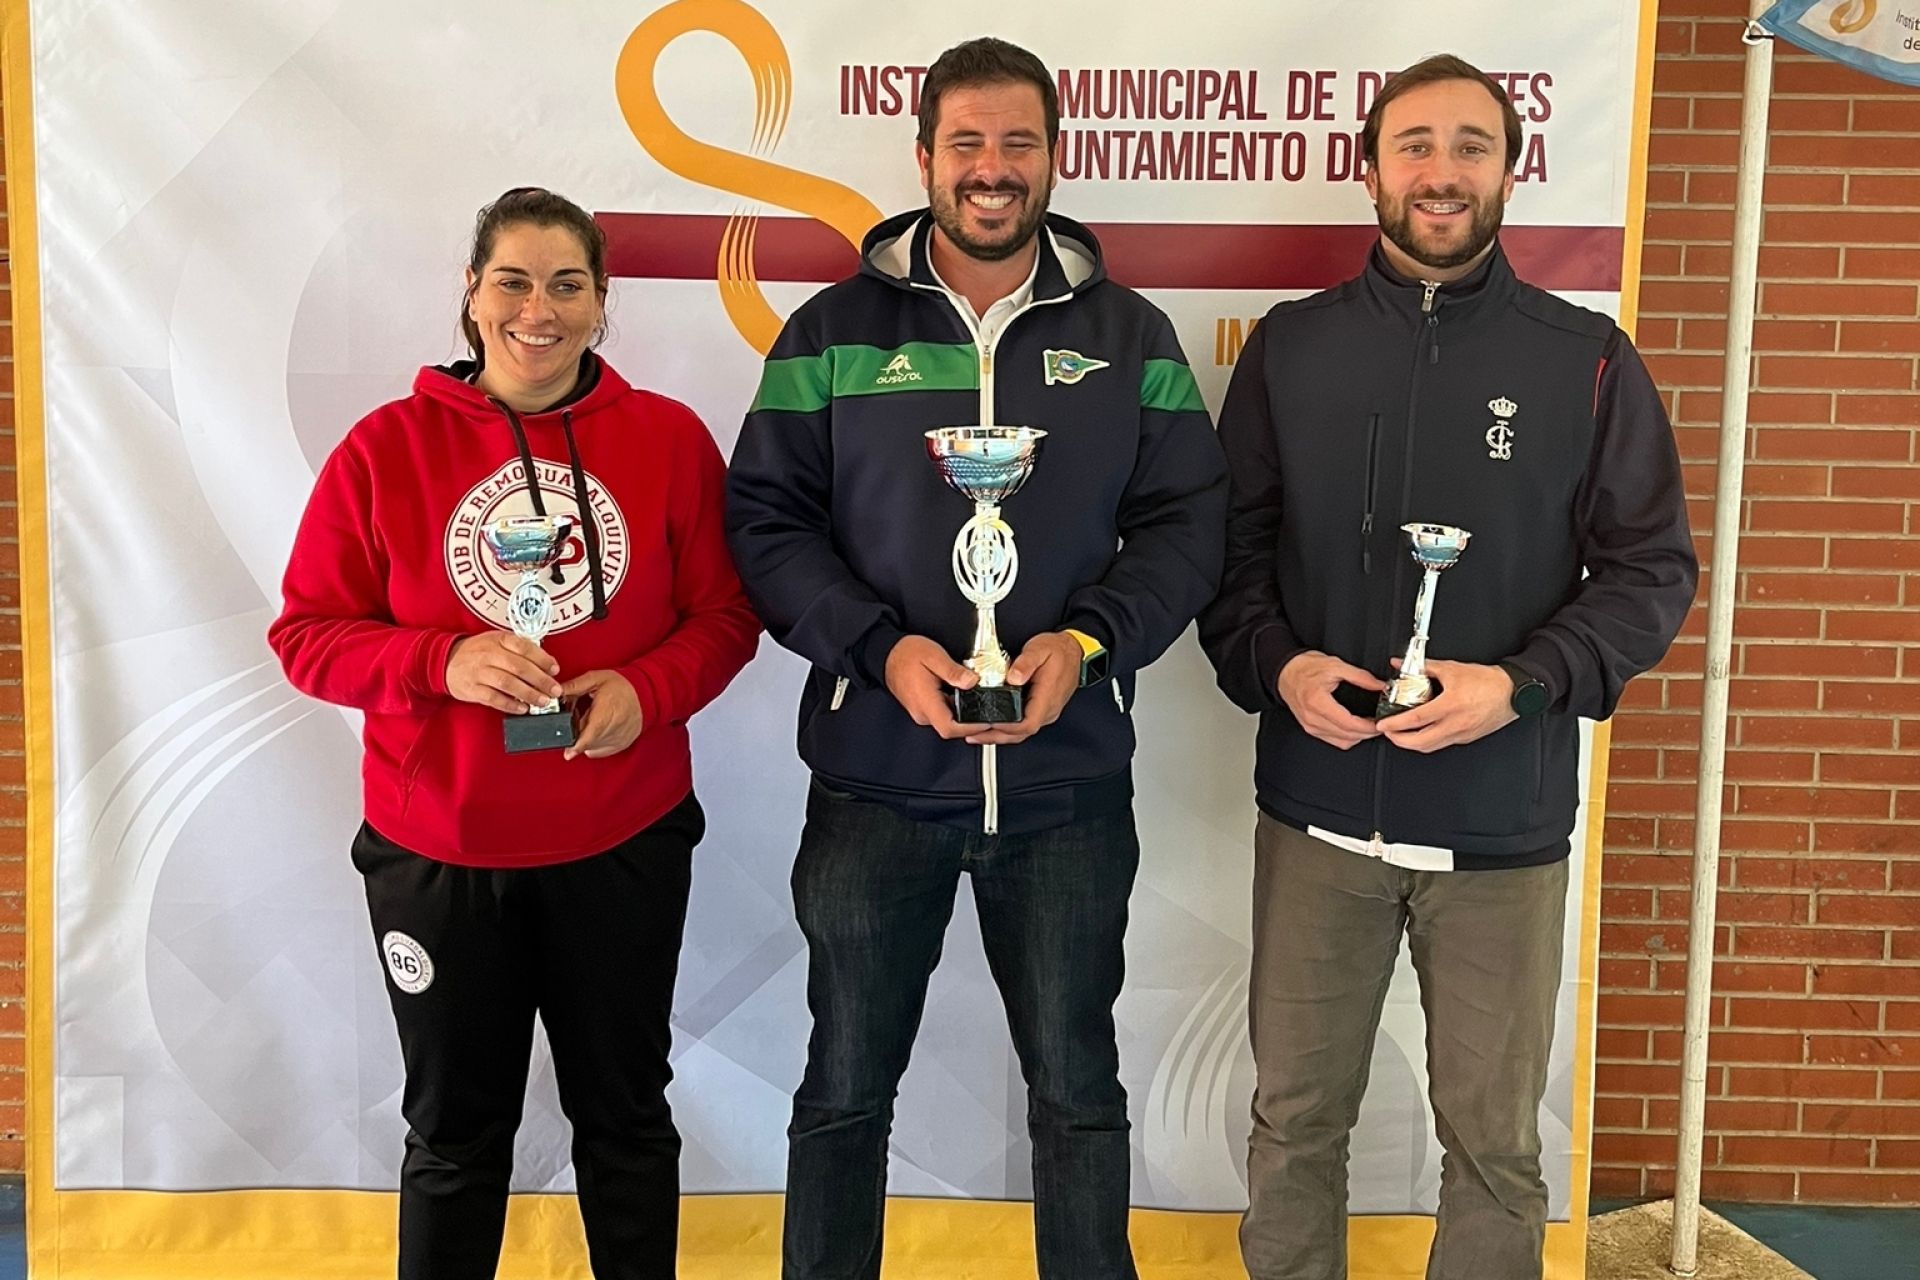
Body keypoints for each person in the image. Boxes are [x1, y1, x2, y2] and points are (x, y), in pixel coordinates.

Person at [725, 36, 1228, 1280]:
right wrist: (878, 649)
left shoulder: (1130, 333)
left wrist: (1088, 641)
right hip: (875, 783)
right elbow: (766, 521)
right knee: (844, 1090)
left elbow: (1189, 521)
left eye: (1017, 142)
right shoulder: (832, 331)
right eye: (967, 143)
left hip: (1065, 788)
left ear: (1054, 156)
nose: (992, 168)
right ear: (924, 158)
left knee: (1078, 1091)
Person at [1197, 55, 1698, 1280]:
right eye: (1414, 144)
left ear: (1510, 172)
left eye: (1472, 146)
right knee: (1293, 1124)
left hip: (1500, 829)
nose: (1441, 171)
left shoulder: (1587, 358)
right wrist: (1280, 667)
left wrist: (1521, 686)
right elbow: (1228, 555)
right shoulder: (1291, 348)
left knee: (1494, 1145)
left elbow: (1651, 571)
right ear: (1369, 170)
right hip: (1319, 818)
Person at [268, 186, 759, 1280]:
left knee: (626, 1120)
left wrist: (648, 689)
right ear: (472, 292)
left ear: (600, 299)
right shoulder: (385, 449)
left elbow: (728, 617)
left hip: (621, 841)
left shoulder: (668, 440)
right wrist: (437, 662)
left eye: (567, 285)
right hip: (440, 854)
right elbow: (306, 636)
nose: (539, 310)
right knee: (454, 1134)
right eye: (514, 282)